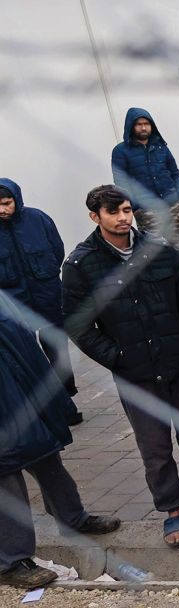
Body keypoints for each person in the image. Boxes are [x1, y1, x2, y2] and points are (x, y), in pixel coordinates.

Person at [62, 185, 179, 546]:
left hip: (177, 363)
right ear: (94, 217)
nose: (122, 218)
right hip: (135, 373)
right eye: (113, 212)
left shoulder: (159, 249)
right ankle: (172, 510)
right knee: (155, 447)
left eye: (126, 210)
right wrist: (116, 358)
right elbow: (77, 323)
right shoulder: (81, 265)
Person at [0, 294, 117, 589]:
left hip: (21, 392)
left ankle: (72, 518)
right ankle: (12, 561)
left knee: (47, 457)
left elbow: (23, 342)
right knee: (6, 479)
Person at [0, 178, 79, 424]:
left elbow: (57, 250)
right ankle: (44, 409)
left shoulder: (38, 219)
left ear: (16, 200)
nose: (3, 209)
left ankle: (67, 401)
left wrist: (45, 279)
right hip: (15, 304)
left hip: (48, 297)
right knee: (28, 356)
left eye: (6, 203)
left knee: (57, 350)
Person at [111, 107, 179, 241]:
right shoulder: (120, 151)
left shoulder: (161, 147)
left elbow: (174, 172)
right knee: (156, 249)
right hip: (147, 210)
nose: (143, 128)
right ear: (131, 126)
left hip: (173, 205)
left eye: (146, 124)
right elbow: (121, 183)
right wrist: (136, 207)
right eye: (139, 124)